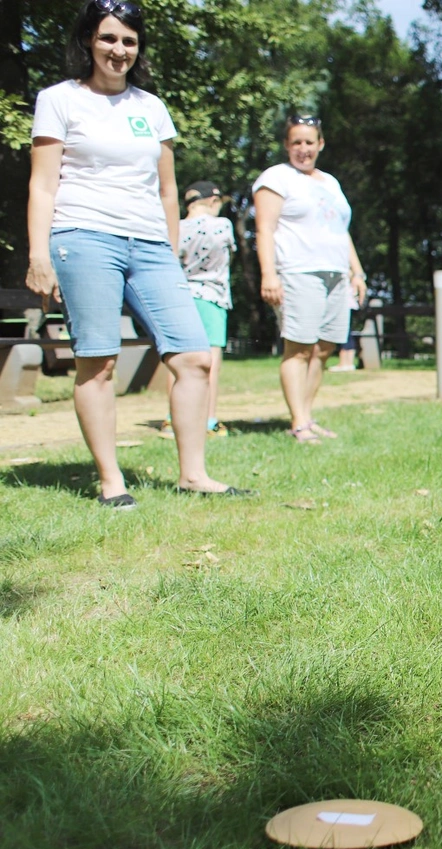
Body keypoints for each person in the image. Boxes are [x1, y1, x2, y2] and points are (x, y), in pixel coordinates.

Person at [26, 0, 249, 508]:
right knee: (98, 363)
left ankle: (194, 474)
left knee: (194, 357)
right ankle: (111, 482)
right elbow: (42, 185)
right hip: (84, 236)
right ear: (88, 40)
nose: (118, 50)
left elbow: (169, 191)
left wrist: (171, 252)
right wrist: (39, 253)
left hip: (151, 244)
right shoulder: (59, 100)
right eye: (108, 38)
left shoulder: (151, 108)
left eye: (128, 41)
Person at [253, 114, 366, 443]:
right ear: (287, 145)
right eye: (296, 142)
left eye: (309, 142)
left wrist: (356, 272)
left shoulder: (330, 182)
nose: (303, 149)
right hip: (298, 271)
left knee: (324, 348)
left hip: (336, 275)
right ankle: (299, 422)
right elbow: (265, 229)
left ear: (321, 144)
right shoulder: (276, 178)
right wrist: (268, 274)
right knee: (300, 348)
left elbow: (341, 233)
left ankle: (307, 415)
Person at [175, 180, 236, 434]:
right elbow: (228, 254)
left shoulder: (175, 228)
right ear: (213, 201)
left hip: (180, 297)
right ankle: (208, 419)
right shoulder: (222, 225)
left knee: (178, 359)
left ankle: (172, 419)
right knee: (210, 359)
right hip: (212, 295)